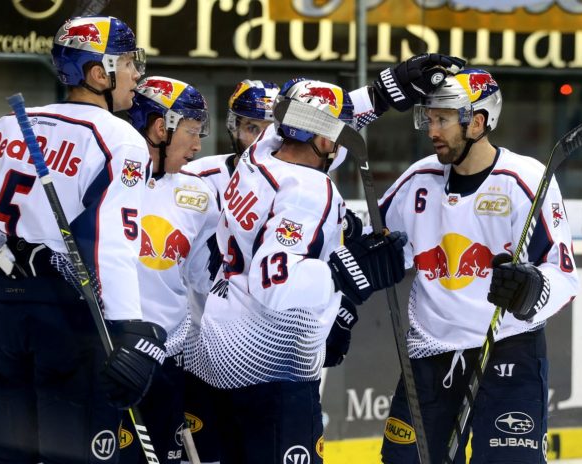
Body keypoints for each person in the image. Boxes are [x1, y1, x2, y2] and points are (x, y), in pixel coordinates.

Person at [0, 16, 167, 463]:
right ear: (97, 73)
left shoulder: (9, 126)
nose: (136, 75)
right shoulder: (119, 139)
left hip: (9, 317)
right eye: (128, 63)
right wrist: (129, 328)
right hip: (74, 320)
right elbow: (112, 246)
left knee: (14, 456)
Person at [185, 76, 413, 464]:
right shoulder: (310, 191)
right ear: (324, 140)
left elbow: (308, 127)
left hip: (217, 351)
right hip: (271, 372)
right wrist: (348, 274)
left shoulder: (259, 154)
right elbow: (273, 281)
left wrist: (382, 94)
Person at [378, 68, 579, 463]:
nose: (431, 130)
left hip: (508, 350)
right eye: (429, 118)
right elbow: (379, 249)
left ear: (478, 122)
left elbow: (564, 274)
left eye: (442, 119)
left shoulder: (525, 180)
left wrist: (535, 289)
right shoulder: (417, 181)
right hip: (429, 353)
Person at [117, 76, 220, 464]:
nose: (198, 144)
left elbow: (205, 277)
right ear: (161, 127)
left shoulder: (199, 195)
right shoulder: (109, 179)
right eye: (191, 132)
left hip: (169, 357)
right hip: (111, 353)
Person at [182, 79, 279, 464]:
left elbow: (340, 120)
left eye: (272, 130)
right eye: (252, 128)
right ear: (233, 128)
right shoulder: (197, 177)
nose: (260, 141)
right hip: (201, 356)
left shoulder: (299, 178)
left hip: (268, 357)